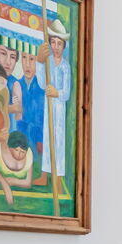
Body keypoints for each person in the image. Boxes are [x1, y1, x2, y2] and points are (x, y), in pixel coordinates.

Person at [43, 21, 71, 181]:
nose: (56, 47)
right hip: (48, 106)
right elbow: (42, 83)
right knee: (47, 138)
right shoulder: (48, 62)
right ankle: (45, 175)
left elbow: (66, 93)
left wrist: (56, 93)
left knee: (58, 141)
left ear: (64, 46)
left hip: (59, 108)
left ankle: (58, 178)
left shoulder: (65, 67)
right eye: (53, 42)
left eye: (59, 43)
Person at [17, 48, 47, 171]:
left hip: (36, 137)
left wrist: (40, 139)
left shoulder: (41, 88)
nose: (27, 64)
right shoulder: (17, 85)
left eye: (31, 59)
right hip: (19, 135)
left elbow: (42, 118)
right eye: (24, 58)